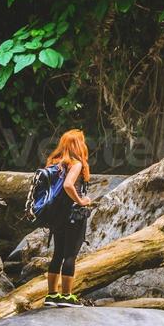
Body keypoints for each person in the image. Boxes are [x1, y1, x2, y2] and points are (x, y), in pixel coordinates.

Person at [43, 129, 94, 307]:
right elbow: (68, 185)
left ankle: (51, 295)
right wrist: (81, 200)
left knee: (57, 254)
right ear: (78, 145)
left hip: (57, 215)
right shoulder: (76, 164)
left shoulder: (55, 163)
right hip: (73, 214)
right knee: (70, 255)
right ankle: (66, 296)